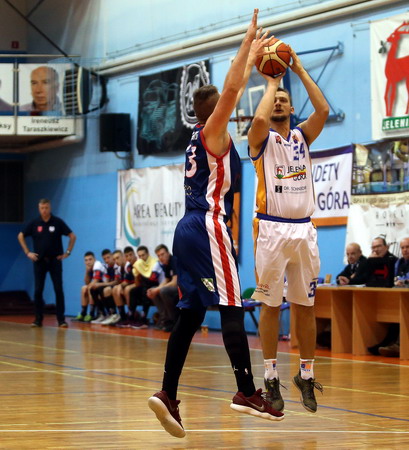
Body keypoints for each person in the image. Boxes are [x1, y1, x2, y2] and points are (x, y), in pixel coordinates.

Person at [148, 10, 284, 440]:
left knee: (190, 315)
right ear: (216, 113)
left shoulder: (196, 137)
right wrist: (248, 44)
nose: (234, 104)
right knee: (230, 306)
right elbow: (231, 88)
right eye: (227, 105)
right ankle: (246, 390)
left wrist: (248, 52)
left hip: (187, 229)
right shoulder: (214, 133)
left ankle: (168, 393)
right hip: (207, 227)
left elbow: (229, 88)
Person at [247, 43, 329, 413]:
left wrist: (297, 69)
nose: (279, 102)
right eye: (274, 100)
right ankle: (269, 375)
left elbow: (323, 110)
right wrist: (270, 83)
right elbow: (258, 121)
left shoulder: (302, 137)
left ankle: (306, 374)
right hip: (271, 230)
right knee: (270, 304)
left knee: (305, 304)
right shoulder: (260, 140)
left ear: (293, 109)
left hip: (304, 230)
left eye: (284, 99)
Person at [17, 198, 76, 327]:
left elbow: (72, 236)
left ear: (50, 208)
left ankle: (61, 320)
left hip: (55, 261)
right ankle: (38, 320)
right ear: (39, 209)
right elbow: (20, 235)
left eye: (46, 208)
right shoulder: (34, 223)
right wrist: (27, 252)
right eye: (42, 208)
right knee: (38, 290)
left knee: (58, 289)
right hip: (39, 261)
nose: (44, 210)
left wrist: (67, 252)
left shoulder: (57, 222)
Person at [377, 237, 409, 357]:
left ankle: (399, 345)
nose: (405, 250)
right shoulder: (398, 263)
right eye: (403, 247)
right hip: (400, 295)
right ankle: (393, 344)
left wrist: (405, 282)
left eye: (408, 247)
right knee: (394, 313)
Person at [130, 245, 164, 329]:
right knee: (133, 291)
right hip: (146, 285)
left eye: (143, 255)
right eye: (139, 256)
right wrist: (136, 273)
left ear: (148, 254)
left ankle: (144, 318)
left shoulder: (155, 262)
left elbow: (153, 279)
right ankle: (131, 317)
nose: (141, 258)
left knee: (146, 290)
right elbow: (137, 284)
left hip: (157, 284)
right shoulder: (138, 264)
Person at [146, 244, 179, 332]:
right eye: (158, 256)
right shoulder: (165, 264)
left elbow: (174, 282)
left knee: (163, 291)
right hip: (174, 288)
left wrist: (158, 289)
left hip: (183, 289)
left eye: (162, 254)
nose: (161, 257)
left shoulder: (174, 260)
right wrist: (155, 290)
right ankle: (164, 319)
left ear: (168, 253)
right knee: (154, 291)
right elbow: (166, 280)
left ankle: (174, 321)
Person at [73, 251, 105, 322]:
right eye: (86, 260)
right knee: (84, 288)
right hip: (98, 287)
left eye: (90, 259)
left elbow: (95, 281)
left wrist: (89, 287)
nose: (88, 262)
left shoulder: (97, 265)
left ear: (94, 259)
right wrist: (87, 271)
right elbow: (87, 282)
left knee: (90, 288)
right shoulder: (90, 268)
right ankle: (83, 313)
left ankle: (91, 313)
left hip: (105, 286)